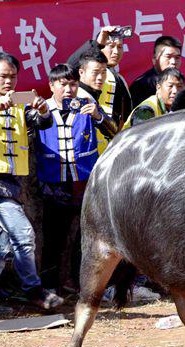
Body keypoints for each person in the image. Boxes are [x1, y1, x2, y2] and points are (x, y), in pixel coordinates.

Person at [0, 53, 63, 312]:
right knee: (24, 234)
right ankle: (33, 289)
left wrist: (42, 111)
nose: (9, 82)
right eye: (3, 76)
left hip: (12, 183)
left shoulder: (19, 104)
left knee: (3, 243)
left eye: (13, 76)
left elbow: (42, 123)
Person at [36, 64, 117, 292]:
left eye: (73, 84)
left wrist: (99, 115)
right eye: (63, 84)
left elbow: (114, 132)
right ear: (52, 86)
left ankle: (83, 282)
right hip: (53, 184)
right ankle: (51, 286)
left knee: (87, 236)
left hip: (84, 183)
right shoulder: (42, 109)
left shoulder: (87, 108)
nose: (70, 89)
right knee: (54, 237)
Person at [68, 26, 134, 149]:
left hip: (110, 145)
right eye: (111, 46)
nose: (116, 52)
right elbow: (70, 66)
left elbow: (124, 118)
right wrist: (97, 43)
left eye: (120, 47)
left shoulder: (120, 79)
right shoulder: (83, 74)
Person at [129, 36, 182, 105]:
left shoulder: (180, 81)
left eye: (177, 57)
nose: (173, 62)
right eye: (168, 57)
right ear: (154, 59)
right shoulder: (141, 85)